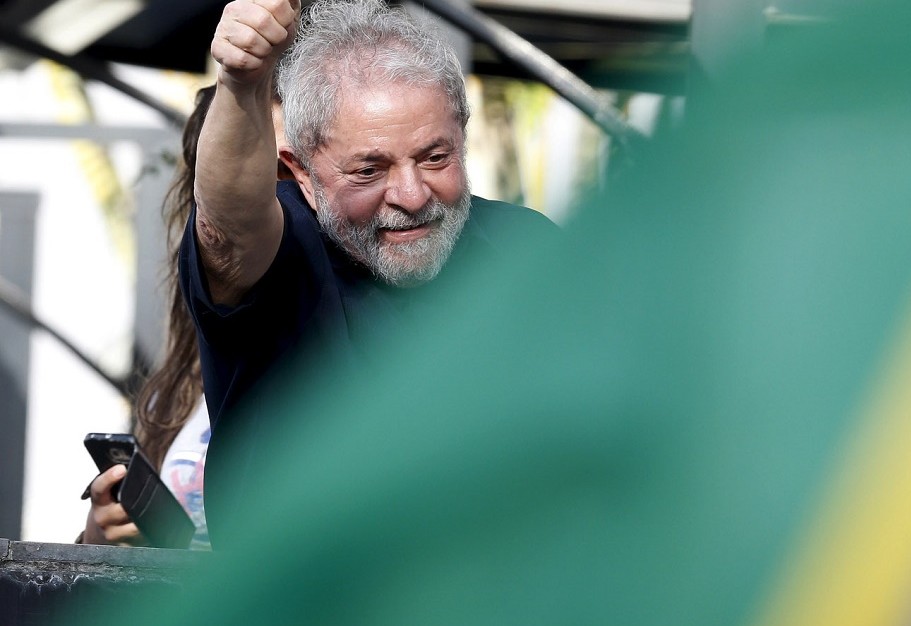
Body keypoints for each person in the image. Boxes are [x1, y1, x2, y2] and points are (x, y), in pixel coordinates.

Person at [184, 0, 556, 544]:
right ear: (300, 174)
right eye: (369, 169)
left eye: (435, 157)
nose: (410, 195)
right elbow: (229, 227)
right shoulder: (287, 255)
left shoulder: (525, 248)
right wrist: (242, 81)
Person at [81, 84, 291, 550]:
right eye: (248, 172)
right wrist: (98, 536)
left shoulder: (347, 342)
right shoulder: (185, 378)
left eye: (283, 171)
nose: (264, 197)